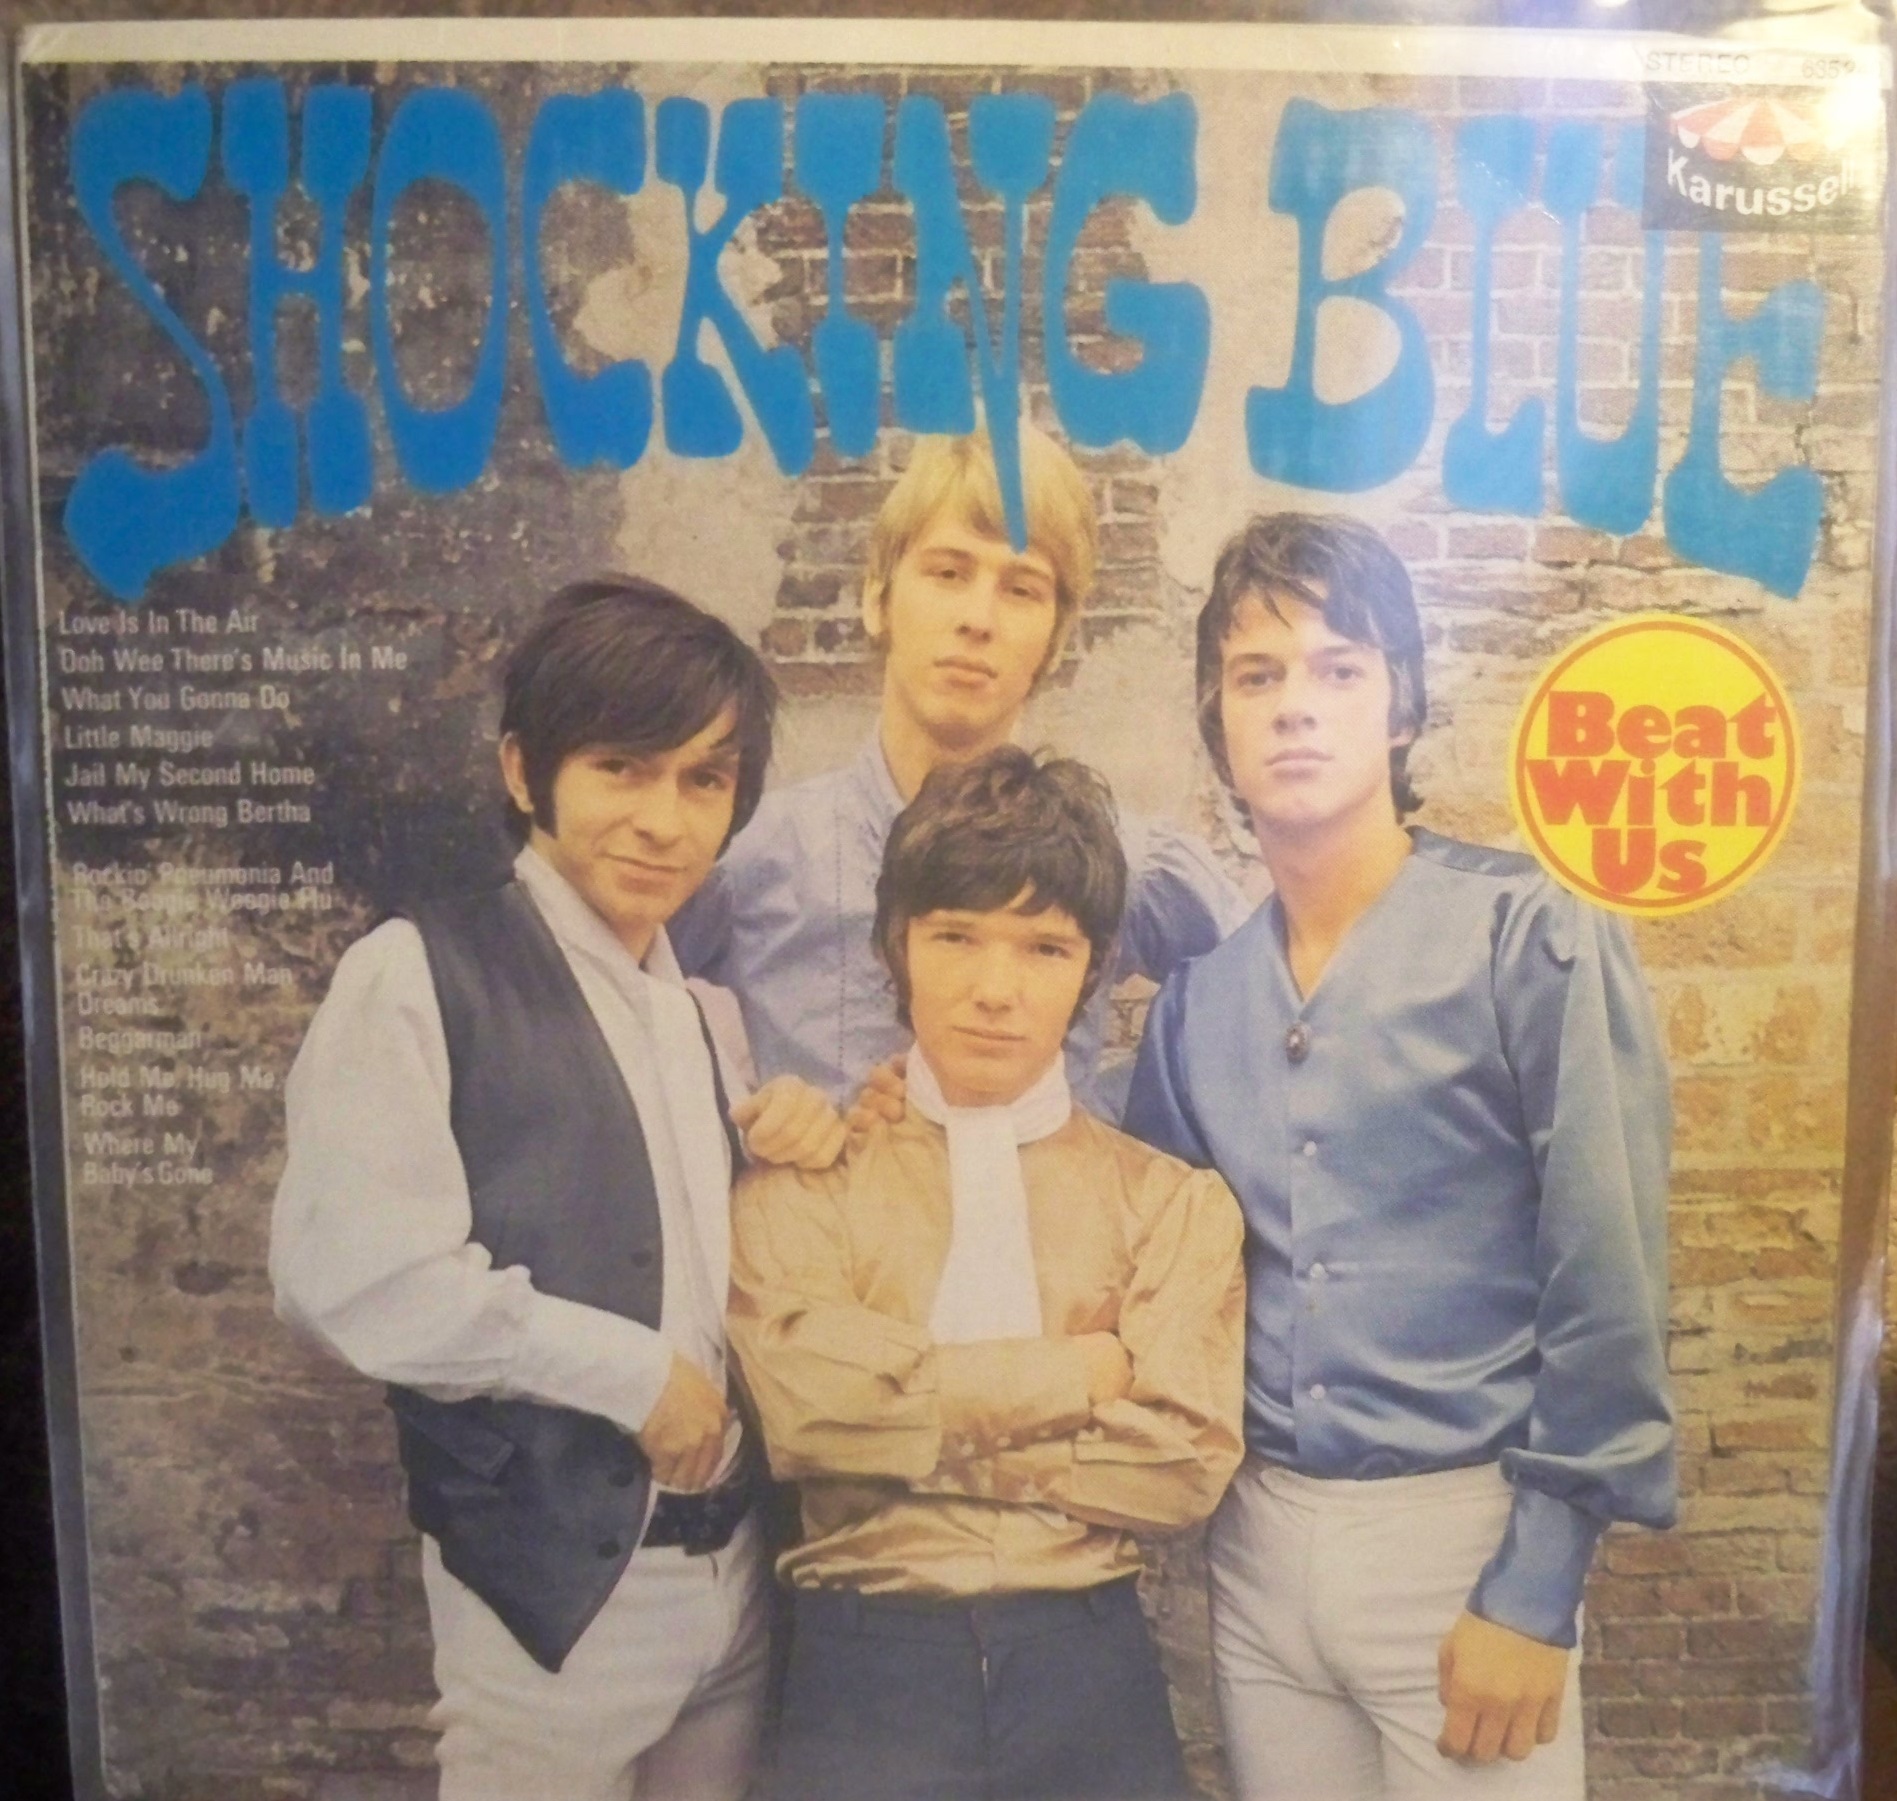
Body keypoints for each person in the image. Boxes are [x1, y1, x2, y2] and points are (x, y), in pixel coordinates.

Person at [1122, 515, 1677, 1801]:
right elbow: (1133, 1245)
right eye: (1256, 675)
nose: (1293, 705)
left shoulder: (1528, 932)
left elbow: (1608, 1274)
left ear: (1402, 706)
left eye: (1339, 667)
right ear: (1216, 722)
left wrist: (1537, 1585)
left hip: (1463, 1540)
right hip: (1259, 1556)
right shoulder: (1196, 1006)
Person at [271, 577, 847, 1801]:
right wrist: (629, 1372)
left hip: (737, 1580)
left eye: (703, 779)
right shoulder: (415, 973)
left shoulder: (704, 1014)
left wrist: (800, 1146)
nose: (663, 819)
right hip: (557, 1606)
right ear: (526, 772)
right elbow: (349, 1278)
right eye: (620, 768)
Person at [728, 746, 1247, 1801]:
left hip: (1087, 1668)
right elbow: (812, 1421)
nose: (995, 991)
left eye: (1044, 947)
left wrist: (908, 1428)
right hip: (862, 1675)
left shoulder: (1169, 1203)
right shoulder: (806, 1187)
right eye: (955, 936)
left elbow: (1181, 1464)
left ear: (1093, 968)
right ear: (896, 944)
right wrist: (1077, 1375)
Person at [669, 424, 1245, 1120]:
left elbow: (1277, 1005)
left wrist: (1118, 1123)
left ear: (1055, 639)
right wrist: (743, 1124)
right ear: (877, 598)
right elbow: (604, 1006)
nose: (978, 619)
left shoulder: (1128, 859)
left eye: (1021, 589)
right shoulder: (757, 856)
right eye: (947, 573)